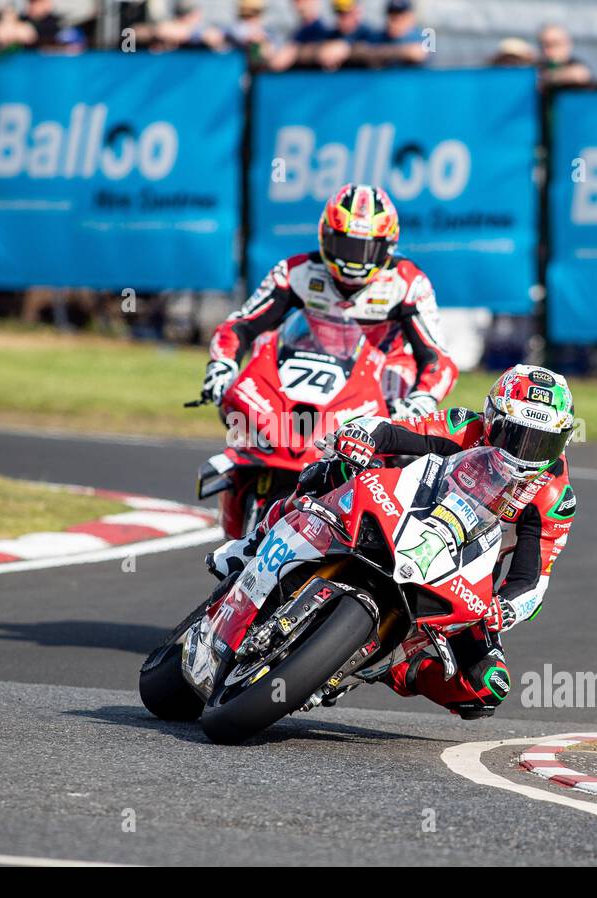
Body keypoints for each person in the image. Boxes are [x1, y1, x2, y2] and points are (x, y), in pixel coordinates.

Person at [208, 364, 578, 719]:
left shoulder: (554, 498)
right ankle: (254, 541)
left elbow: (533, 579)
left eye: (543, 442)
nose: (525, 452)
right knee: (332, 468)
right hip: (403, 511)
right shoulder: (464, 427)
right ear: (492, 419)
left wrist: (506, 608)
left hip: (462, 568)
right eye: (518, 436)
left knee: (487, 685)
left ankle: (400, 665)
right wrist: (362, 438)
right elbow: (390, 429)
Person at [200, 182, 456, 419]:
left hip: (383, 381)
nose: (355, 261)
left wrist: (424, 397)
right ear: (325, 236)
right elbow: (241, 325)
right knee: (247, 426)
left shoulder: (409, 282)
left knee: (401, 441)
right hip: (312, 374)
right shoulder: (295, 272)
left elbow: (438, 358)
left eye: (367, 249)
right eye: (346, 246)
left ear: (388, 246)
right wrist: (223, 364)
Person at [537, 23, 590, 88]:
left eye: (556, 43)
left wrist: (553, 77)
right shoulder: (537, 66)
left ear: (568, 44)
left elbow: (580, 74)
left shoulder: (575, 64)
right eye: (545, 45)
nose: (551, 50)